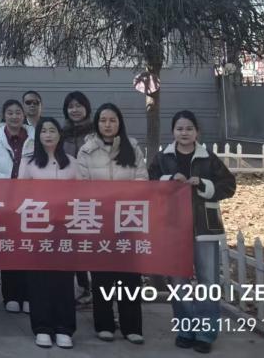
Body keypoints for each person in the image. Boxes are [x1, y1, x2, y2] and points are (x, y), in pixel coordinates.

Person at [149, 110, 237, 354]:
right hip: (173, 227)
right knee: (178, 280)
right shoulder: (162, 158)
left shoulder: (208, 157)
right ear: (172, 132)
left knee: (208, 280)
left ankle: (205, 334)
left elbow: (229, 186)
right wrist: (169, 179)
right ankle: (185, 329)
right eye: (179, 128)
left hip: (204, 228)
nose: (184, 133)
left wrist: (204, 184)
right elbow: (150, 182)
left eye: (189, 128)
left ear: (197, 131)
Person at [77, 103, 148, 344]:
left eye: (112, 120)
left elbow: (142, 179)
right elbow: (81, 185)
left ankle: (132, 326)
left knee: (130, 275)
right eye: (103, 120)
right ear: (97, 123)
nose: (107, 125)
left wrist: (122, 198)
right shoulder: (86, 151)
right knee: (102, 275)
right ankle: (104, 324)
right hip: (99, 220)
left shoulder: (132, 148)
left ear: (120, 123)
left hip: (128, 219)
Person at [19, 117, 78, 349]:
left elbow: (82, 195)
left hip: (65, 227)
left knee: (63, 278)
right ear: (38, 136)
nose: (48, 135)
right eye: (44, 131)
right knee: (39, 279)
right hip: (38, 227)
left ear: (60, 135)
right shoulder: (29, 162)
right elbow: (20, 194)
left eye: (53, 130)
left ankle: (64, 327)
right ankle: (42, 327)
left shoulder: (71, 163)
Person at [0, 99, 33, 314]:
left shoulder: (34, 140)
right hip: (4, 202)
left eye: (18, 112)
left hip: (29, 202)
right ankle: (11, 295)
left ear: (23, 115)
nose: (14, 116)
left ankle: (28, 294)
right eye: (10, 112)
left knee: (28, 248)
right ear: (4, 115)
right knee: (9, 247)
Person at [60, 90, 95, 305]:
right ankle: (83, 287)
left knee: (93, 242)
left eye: (79, 106)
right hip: (67, 196)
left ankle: (98, 289)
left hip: (92, 195)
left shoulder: (96, 132)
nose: (75, 110)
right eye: (71, 106)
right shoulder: (61, 134)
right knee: (73, 243)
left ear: (86, 108)